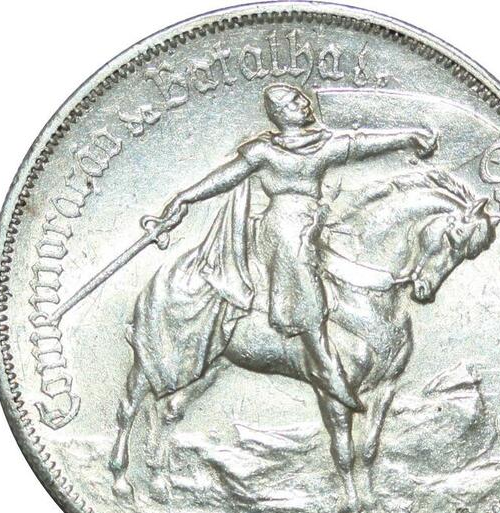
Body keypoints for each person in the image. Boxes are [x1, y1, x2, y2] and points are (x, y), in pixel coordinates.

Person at [157, 84, 437, 410]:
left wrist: (407, 137)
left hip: (313, 222)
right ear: (279, 114)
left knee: (348, 246)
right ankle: (323, 361)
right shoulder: (263, 151)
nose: (304, 103)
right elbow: (226, 177)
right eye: (294, 102)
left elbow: (361, 145)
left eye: (301, 98)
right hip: (282, 227)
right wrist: (184, 198)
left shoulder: (322, 145)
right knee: (297, 252)